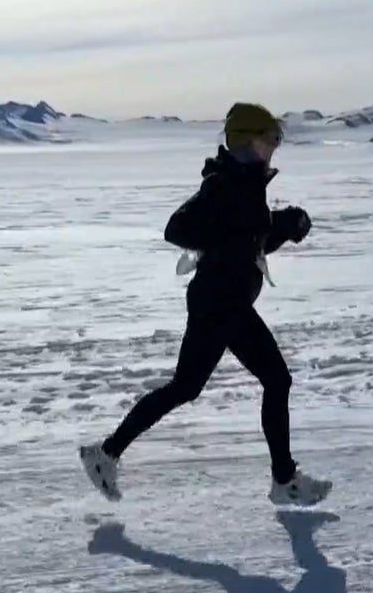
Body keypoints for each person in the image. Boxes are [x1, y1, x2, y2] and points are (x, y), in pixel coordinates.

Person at [79, 102, 332, 507]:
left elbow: (249, 240)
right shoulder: (225, 184)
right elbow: (177, 229)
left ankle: (105, 453)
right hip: (222, 302)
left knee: (186, 387)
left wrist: (284, 227)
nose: (273, 148)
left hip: (219, 302)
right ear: (246, 142)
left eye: (274, 142)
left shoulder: (245, 183)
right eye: (269, 140)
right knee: (276, 380)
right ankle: (284, 481)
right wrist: (238, 236)